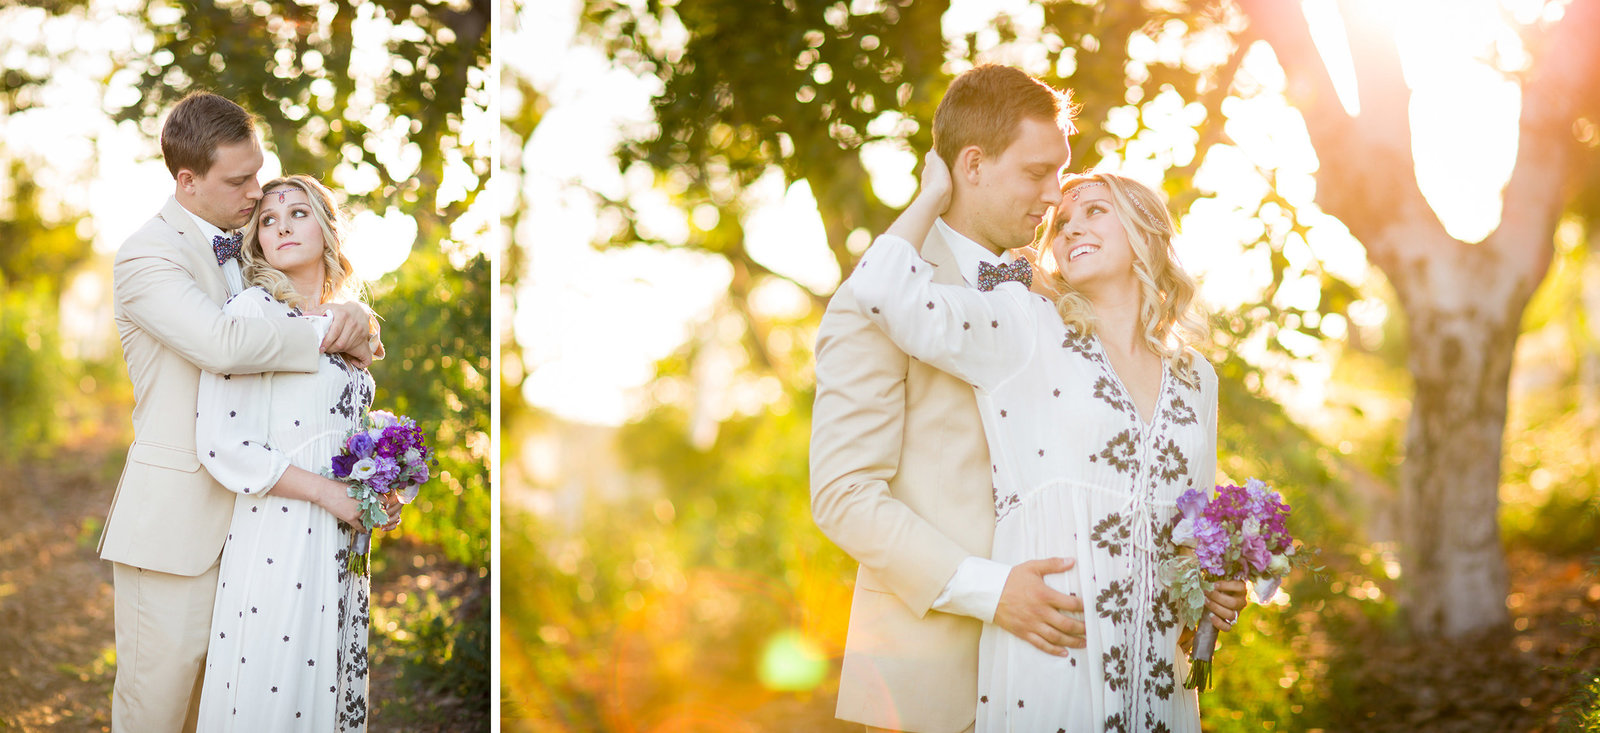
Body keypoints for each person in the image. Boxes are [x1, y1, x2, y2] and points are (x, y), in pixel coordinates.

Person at [848, 154, 1248, 731]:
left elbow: (1193, 525)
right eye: (1060, 223)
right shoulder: (1025, 326)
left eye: (1094, 211)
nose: (1071, 227)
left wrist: (1214, 588)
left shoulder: (1196, 378)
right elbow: (882, 291)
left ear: (1148, 234)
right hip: (1053, 654)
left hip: (1159, 673)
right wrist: (934, 194)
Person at [809, 64, 1090, 733]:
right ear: (972, 164)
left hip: (1063, 675)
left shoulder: (1061, 296)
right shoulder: (871, 300)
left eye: (1062, 173)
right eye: (1036, 172)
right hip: (932, 688)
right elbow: (843, 494)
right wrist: (993, 593)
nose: (1056, 195)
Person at [100, 91, 380, 732]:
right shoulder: (149, 255)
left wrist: (357, 315)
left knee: (227, 712)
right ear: (187, 181)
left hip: (265, 532)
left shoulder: (249, 254)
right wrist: (327, 330)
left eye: (259, 170)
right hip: (179, 529)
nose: (258, 192)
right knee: (156, 712)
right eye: (239, 179)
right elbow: (223, 344)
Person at [194, 174, 391, 731]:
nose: (281, 225)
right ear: (255, 241)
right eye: (269, 219)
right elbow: (224, 442)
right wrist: (333, 495)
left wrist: (377, 485)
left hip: (340, 536)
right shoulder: (253, 312)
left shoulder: (344, 321)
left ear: (327, 227)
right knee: (276, 686)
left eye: (298, 213)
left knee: (326, 683)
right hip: (280, 532)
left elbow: (336, 425)